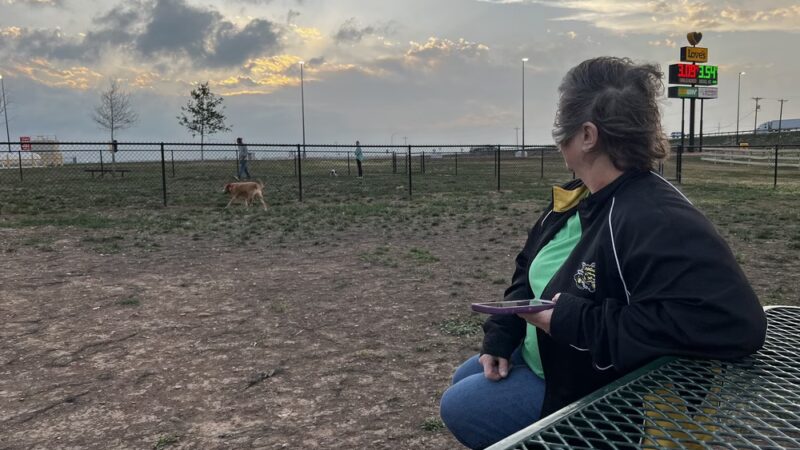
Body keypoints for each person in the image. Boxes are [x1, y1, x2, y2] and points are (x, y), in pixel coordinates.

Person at [439, 57, 767, 450]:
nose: (556, 134)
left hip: (595, 392)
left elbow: (736, 326)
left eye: (562, 120)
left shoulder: (655, 216)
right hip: (549, 356)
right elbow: (528, 269)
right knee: (466, 377)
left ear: (588, 135)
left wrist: (576, 321)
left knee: (459, 405)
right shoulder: (577, 196)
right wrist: (503, 330)